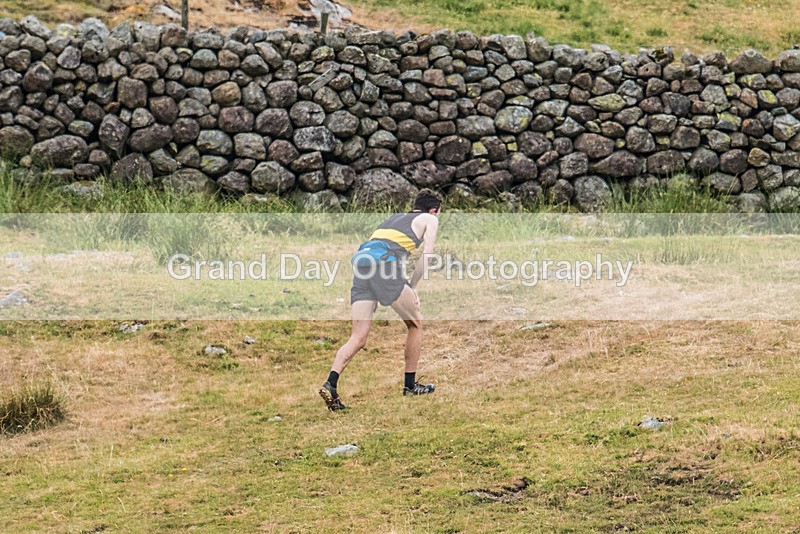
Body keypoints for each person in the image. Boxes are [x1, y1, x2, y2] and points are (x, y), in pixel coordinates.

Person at [319, 188, 444, 411]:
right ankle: (410, 385)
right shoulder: (429, 219)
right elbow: (428, 255)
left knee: (358, 337)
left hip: (362, 268)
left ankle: (331, 384)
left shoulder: (393, 218)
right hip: (384, 269)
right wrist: (412, 288)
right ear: (434, 210)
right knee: (415, 324)